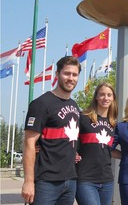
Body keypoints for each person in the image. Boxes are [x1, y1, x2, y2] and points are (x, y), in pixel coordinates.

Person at [21, 56, 81, 205]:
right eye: (66, 73)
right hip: (46, 182)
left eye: (74, 74)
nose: (70, 78)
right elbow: (29, 143)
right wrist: (28, 181)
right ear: (57, 74)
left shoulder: (74, 106)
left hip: (70, 181)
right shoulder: (41, 104)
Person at [75, 82, 118, 205]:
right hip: (85, 179)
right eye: (102, 94)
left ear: (113, 98)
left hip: (107, 180)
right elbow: (68, 139)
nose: (106, 98)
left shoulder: (113, 124)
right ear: (96, 97)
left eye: (109, 95)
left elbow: (109, 150)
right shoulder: (83, 117)